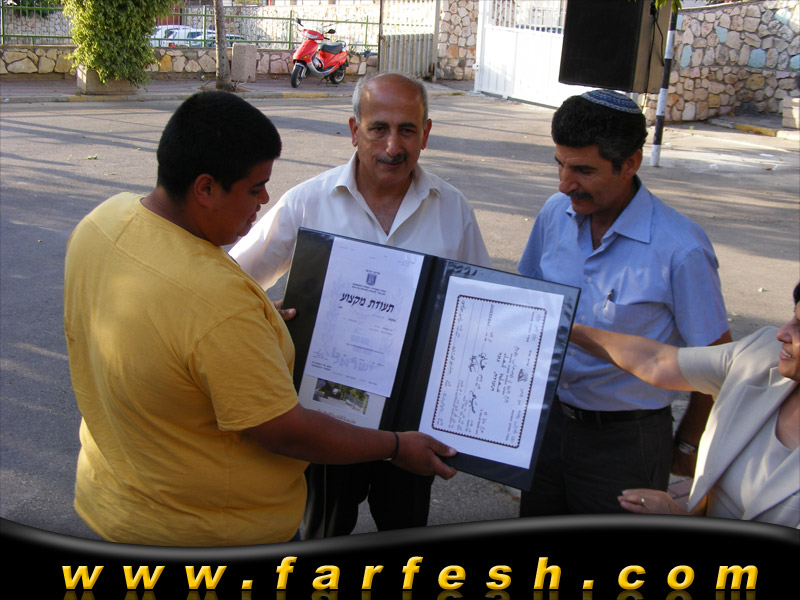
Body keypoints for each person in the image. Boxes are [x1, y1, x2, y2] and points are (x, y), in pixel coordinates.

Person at [63, 91, 457, 547]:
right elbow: (286, 432)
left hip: (113, 502)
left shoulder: (101, 221)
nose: (266, 199)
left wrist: (256, 321)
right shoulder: (217, 301)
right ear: (206, 188)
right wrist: (396, 446)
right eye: (255, 189)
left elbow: (173, 328)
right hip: (209, 533)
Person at [230, 72, 492, 539]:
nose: (393, 146)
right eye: (378, 129)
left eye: (407, 130)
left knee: (406, 535)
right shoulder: (310, 201)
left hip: (412, 419)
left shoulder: (452, 210)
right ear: (355, 130)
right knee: (322, 535)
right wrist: (263, 316)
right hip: (328, 416)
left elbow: (482, 310)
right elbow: (230, 279)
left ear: (426, 133)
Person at [517, 89, 732, 516]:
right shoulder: (554, 214)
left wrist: (689, 445)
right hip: (547, 425)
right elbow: (527, 304)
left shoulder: (680, 249)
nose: (564, 184)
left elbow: (716, 365)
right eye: (560, 165)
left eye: (583, 170)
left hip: (627, 444)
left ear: (630, 163)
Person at [569, 282, 800, 528]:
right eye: (793, 318)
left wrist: (678, 518)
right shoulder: (763, 353)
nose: (783, 333)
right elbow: (658, 361)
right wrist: (566, 329)